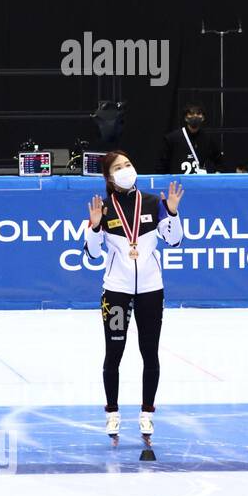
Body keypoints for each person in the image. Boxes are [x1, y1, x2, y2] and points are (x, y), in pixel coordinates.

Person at [83, 153, 184, 447]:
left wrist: (174, 213)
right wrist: (95, 227)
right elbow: (92, 254)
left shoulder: (155, 203)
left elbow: (174, 240)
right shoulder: (103, 208)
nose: (125, 170)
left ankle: (147, 412)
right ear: (109, 178)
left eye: (128, 164)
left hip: (151, 290)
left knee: (149, 352)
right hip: (116, 291)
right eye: (118, 167)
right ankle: (112, 411)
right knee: (114, 352)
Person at [162, 102, 223, 173]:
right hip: (179, 182)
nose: (195, 116)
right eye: (191, 114)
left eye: (198, 114)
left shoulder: (208, 139)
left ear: (203, 118)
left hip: (200, 182)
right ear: (186, 118)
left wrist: (217, 175)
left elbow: (220, 161)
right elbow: (163, 164)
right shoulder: (172, 138)